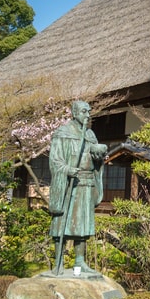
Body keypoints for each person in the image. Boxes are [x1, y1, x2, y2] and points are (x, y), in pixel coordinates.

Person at [48, 100, 107, 275]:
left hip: (86, 184)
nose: (87, 115)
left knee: (82, 225)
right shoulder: (62, 133)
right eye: (83, 112)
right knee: (62, 224)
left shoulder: (90, 135)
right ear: (74, 113)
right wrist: (67, 170)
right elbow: (55, 160)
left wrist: (98, 157)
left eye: (89, 112)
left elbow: (96, 162)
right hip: (69, 184)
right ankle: (58, 262)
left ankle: (79, 262)